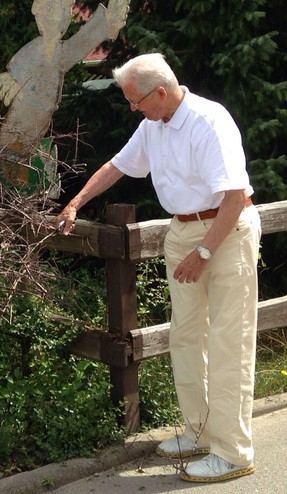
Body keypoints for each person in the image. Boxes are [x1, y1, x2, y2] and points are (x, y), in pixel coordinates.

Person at [54, 52, 262, 483]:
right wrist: (76, 202)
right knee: (185, 336)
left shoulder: (209, 121)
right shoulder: (154, 125)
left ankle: (234, 452)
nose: (133, 109)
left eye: (136, 100)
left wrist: (203, 252)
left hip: (226, 233)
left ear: (161, 93)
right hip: (184, 231)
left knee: (229, 341)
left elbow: (234, 196)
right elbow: (117, 166)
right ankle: (200, 431)